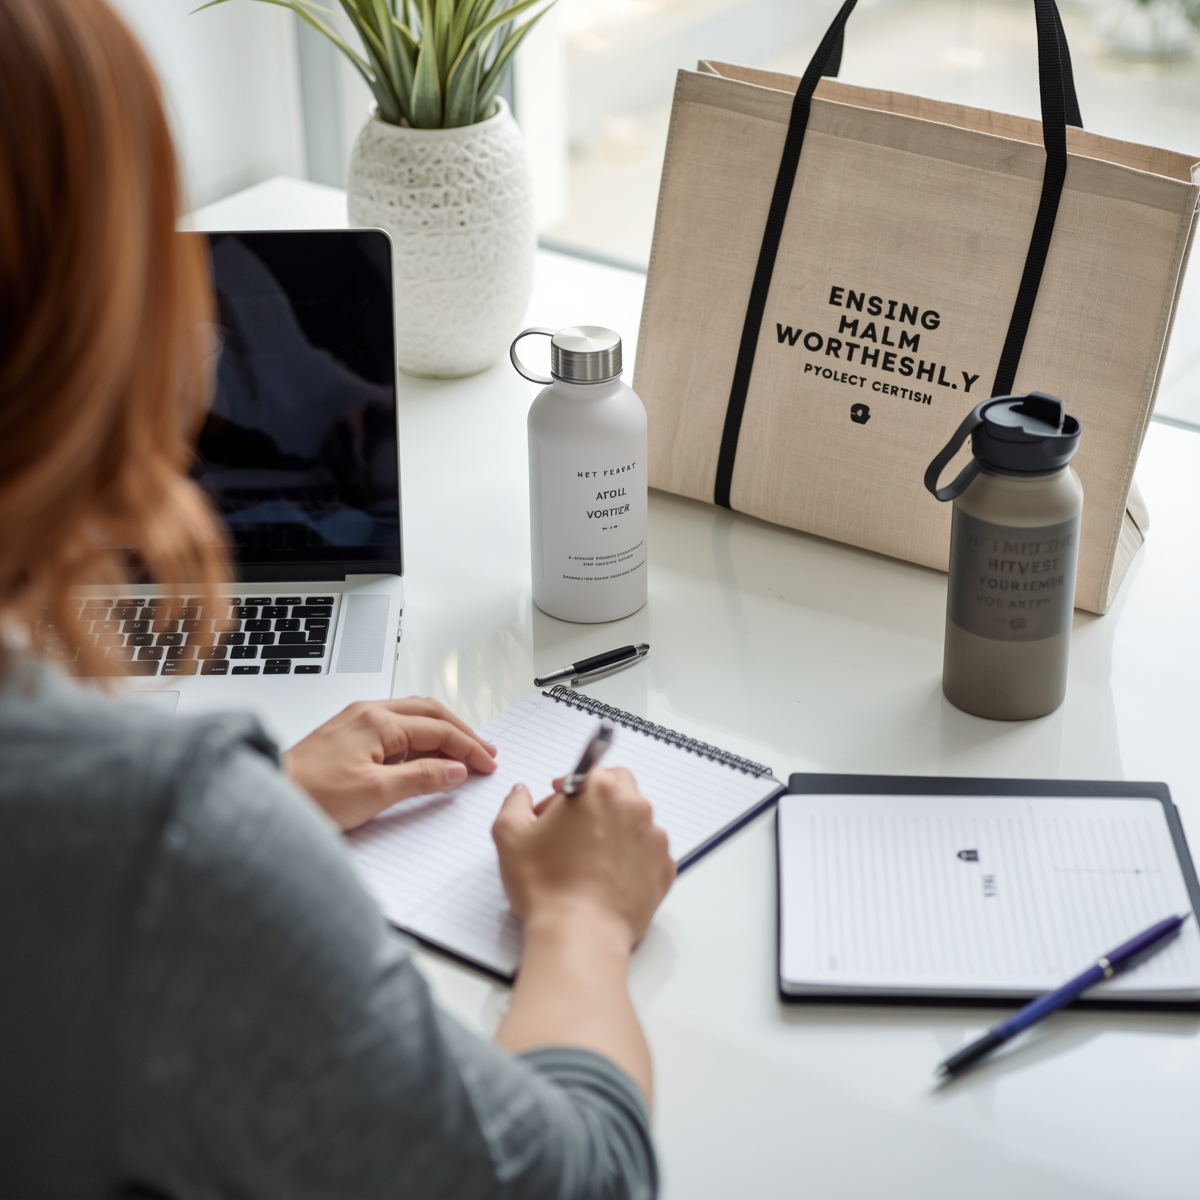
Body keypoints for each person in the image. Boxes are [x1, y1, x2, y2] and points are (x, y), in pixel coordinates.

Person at [0, 1, 676, 1196]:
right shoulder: (158, 839)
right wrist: (582, 918)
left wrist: (261, 809)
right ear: (99, 318)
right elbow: (578, 1178)